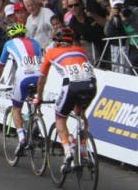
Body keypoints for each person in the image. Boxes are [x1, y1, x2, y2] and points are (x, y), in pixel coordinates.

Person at [34, 28, 98, 174]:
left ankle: (68, 151)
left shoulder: (51, 52)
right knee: (81, 114)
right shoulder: (81, 50)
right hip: (91, 84)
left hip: (72, 85)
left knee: (60, 117)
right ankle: (82, 149)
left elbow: (42, 79)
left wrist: (39, 97)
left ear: (57, 42)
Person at [0, 23, 43, 155]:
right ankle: (35, 117)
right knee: (36, 99)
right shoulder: (36, 43)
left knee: (16, 108)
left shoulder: (9, 44)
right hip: (39, 77)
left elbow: (0, 67)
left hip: (23, 77)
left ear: (11, 35)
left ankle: (21, 137)